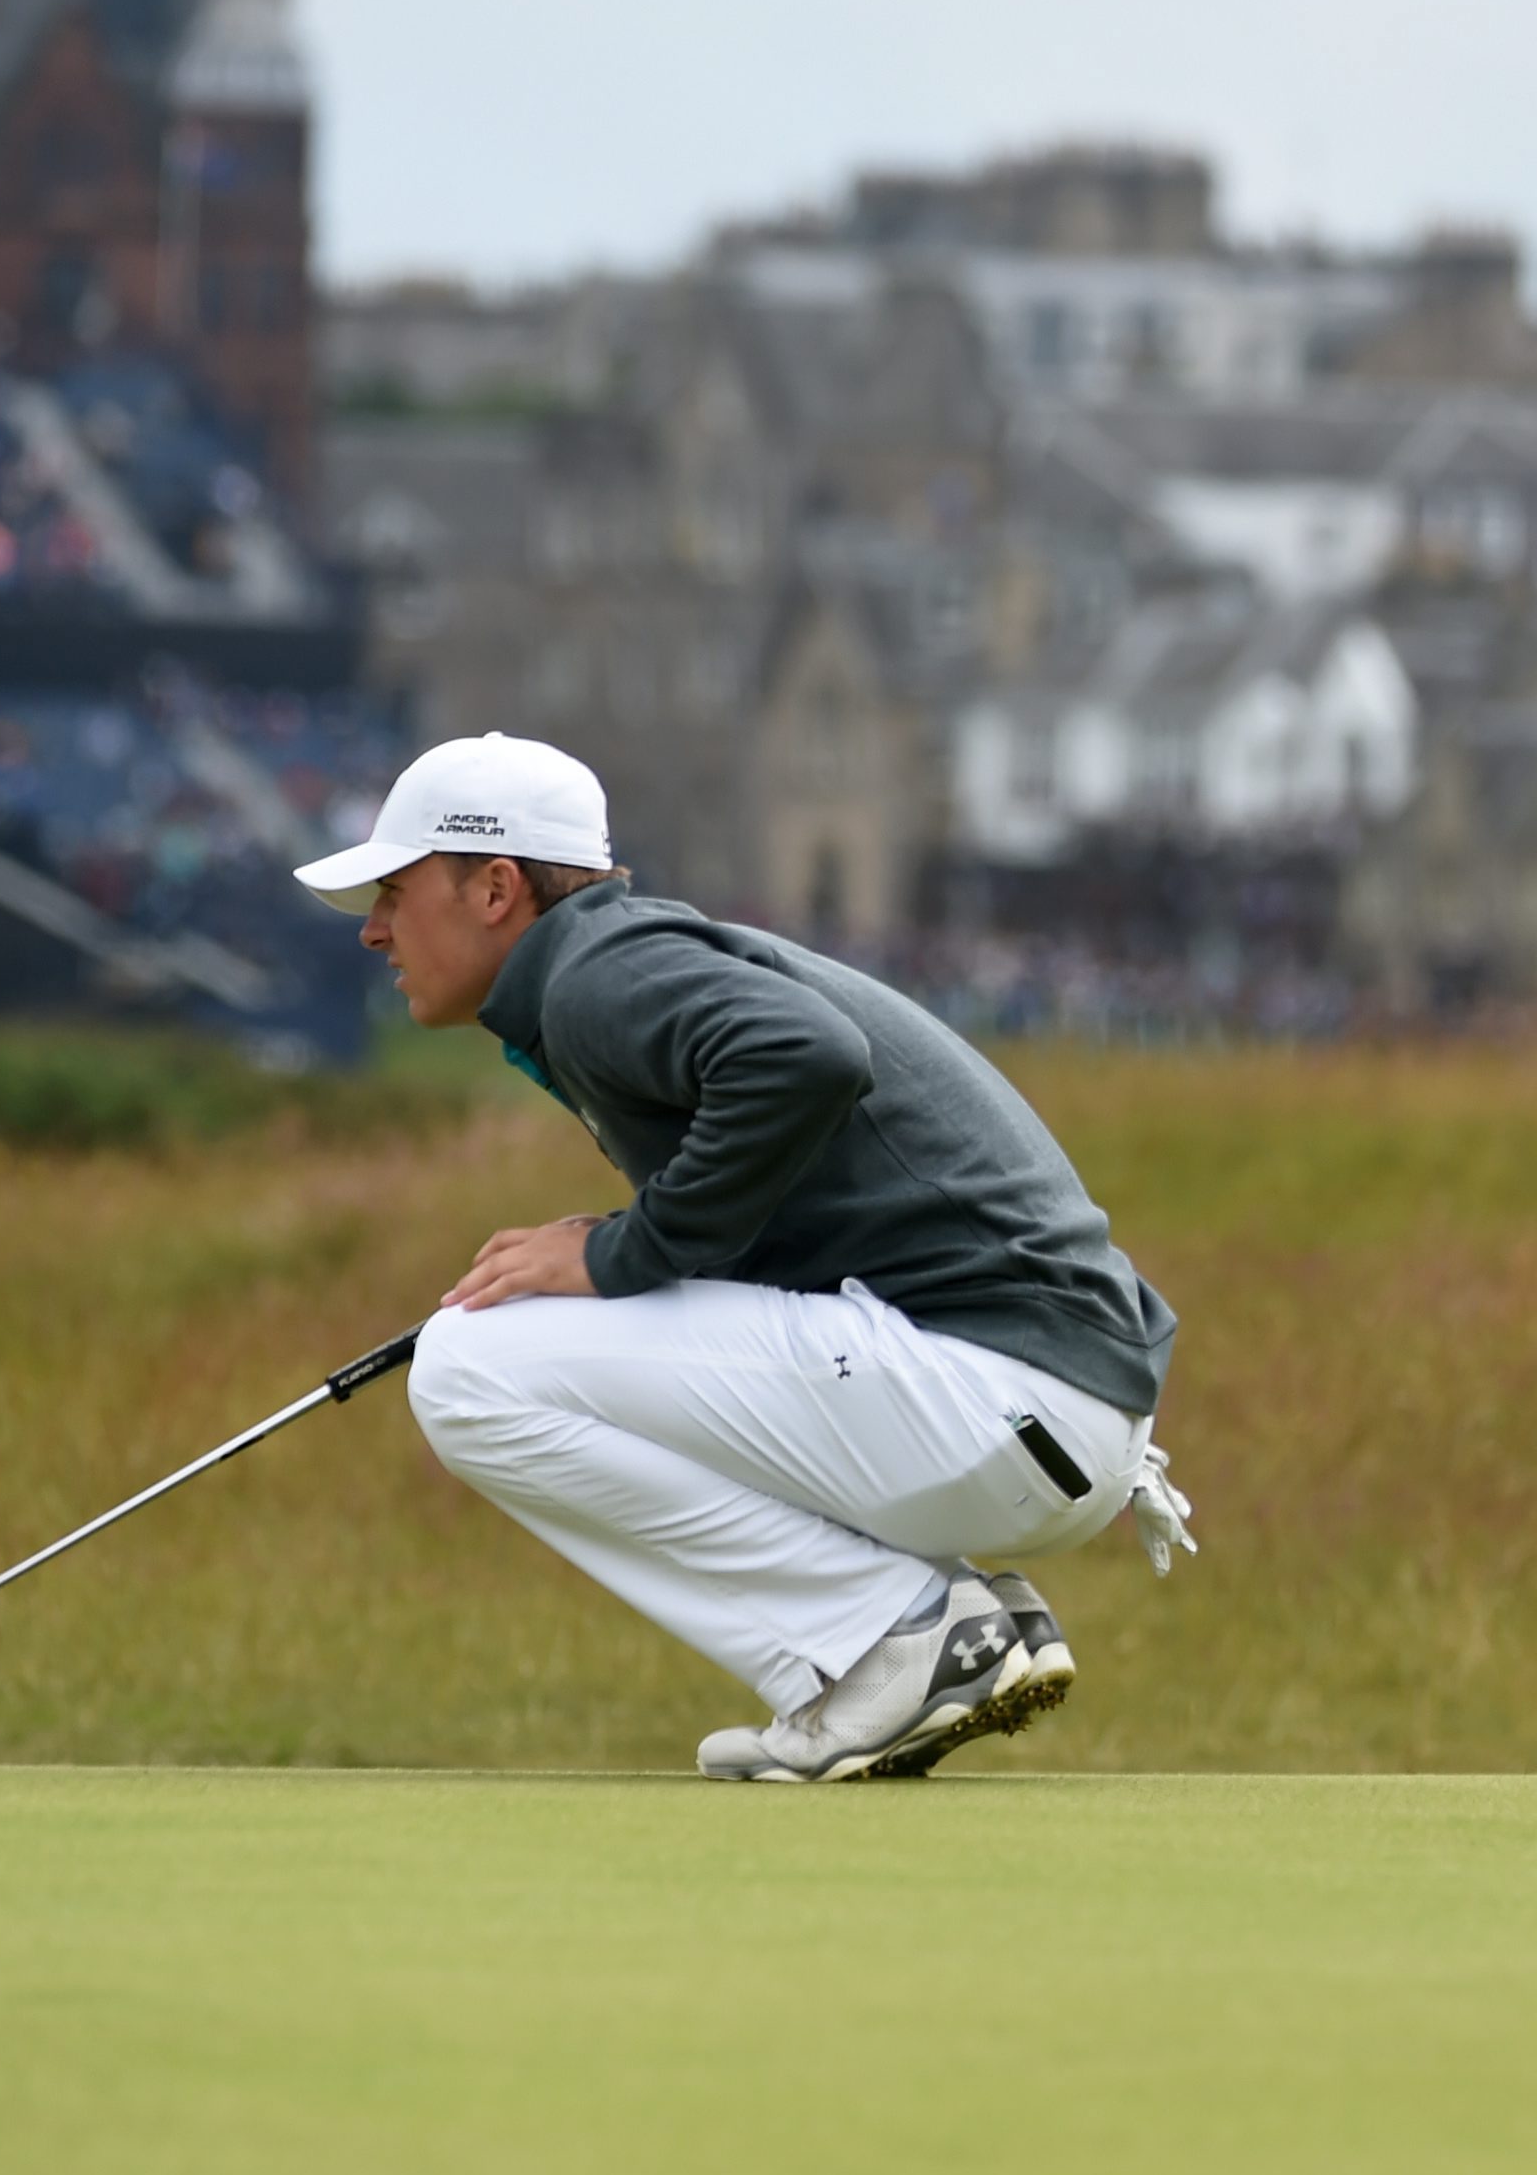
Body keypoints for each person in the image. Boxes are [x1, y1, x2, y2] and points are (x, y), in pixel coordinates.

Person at [295, 731, 1192, 1782]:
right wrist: (632, 1248)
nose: (374, 931)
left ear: (496, 889)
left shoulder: (594, 976)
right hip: (1043, 1416)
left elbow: (805, 1058)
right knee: (504, 1345)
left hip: (1002, 1399)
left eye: (394, 891)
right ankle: (929, 1631)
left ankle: (890, 1641)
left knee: (467, 1365)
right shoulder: (622, 962)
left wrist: (627, 1251)